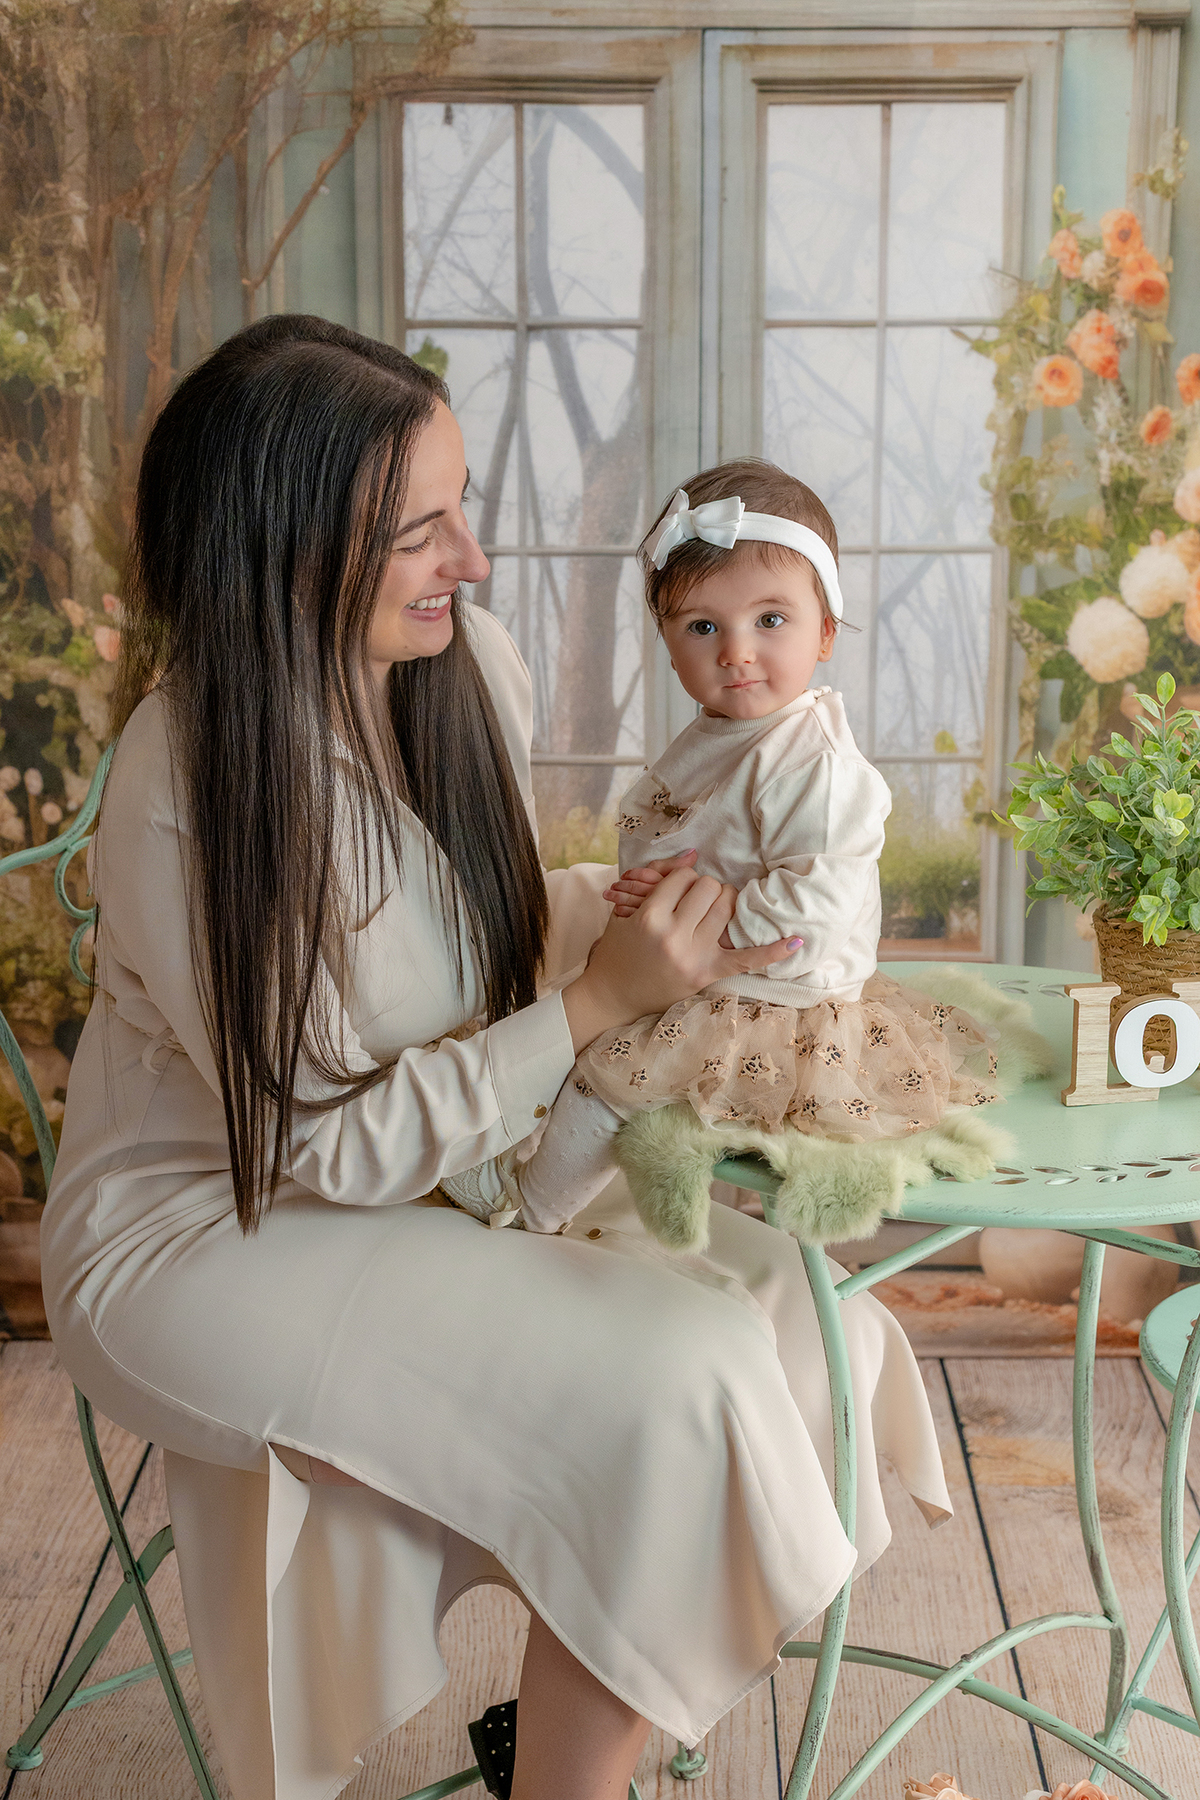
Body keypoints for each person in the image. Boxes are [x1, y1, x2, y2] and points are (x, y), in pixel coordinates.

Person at [41, 318, 952, 1800]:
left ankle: (580, 1726)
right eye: (424, 530)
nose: (473, 557)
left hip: (450, 1159)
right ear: (281, 549)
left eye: (462, 507)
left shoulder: (460, 668)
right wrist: (598, 1009)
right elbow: (318, 1145)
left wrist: (653, 926)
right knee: (685, 1371)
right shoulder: (195, 789)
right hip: (222, 1227)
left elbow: (474, 935)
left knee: (802, 1318)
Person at [441, 461, 1005, 1241]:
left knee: (612, 1082)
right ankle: (498, 1144)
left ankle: (534, 1209)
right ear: (670, 647)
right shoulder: (730, 731)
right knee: (560, 1009)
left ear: (827, 632)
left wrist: (705, 918)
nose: (737, 652)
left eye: (771, 621)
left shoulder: (814, 761)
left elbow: (824, 907)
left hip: (764, 992)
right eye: (703, 628)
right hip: (688, 959)